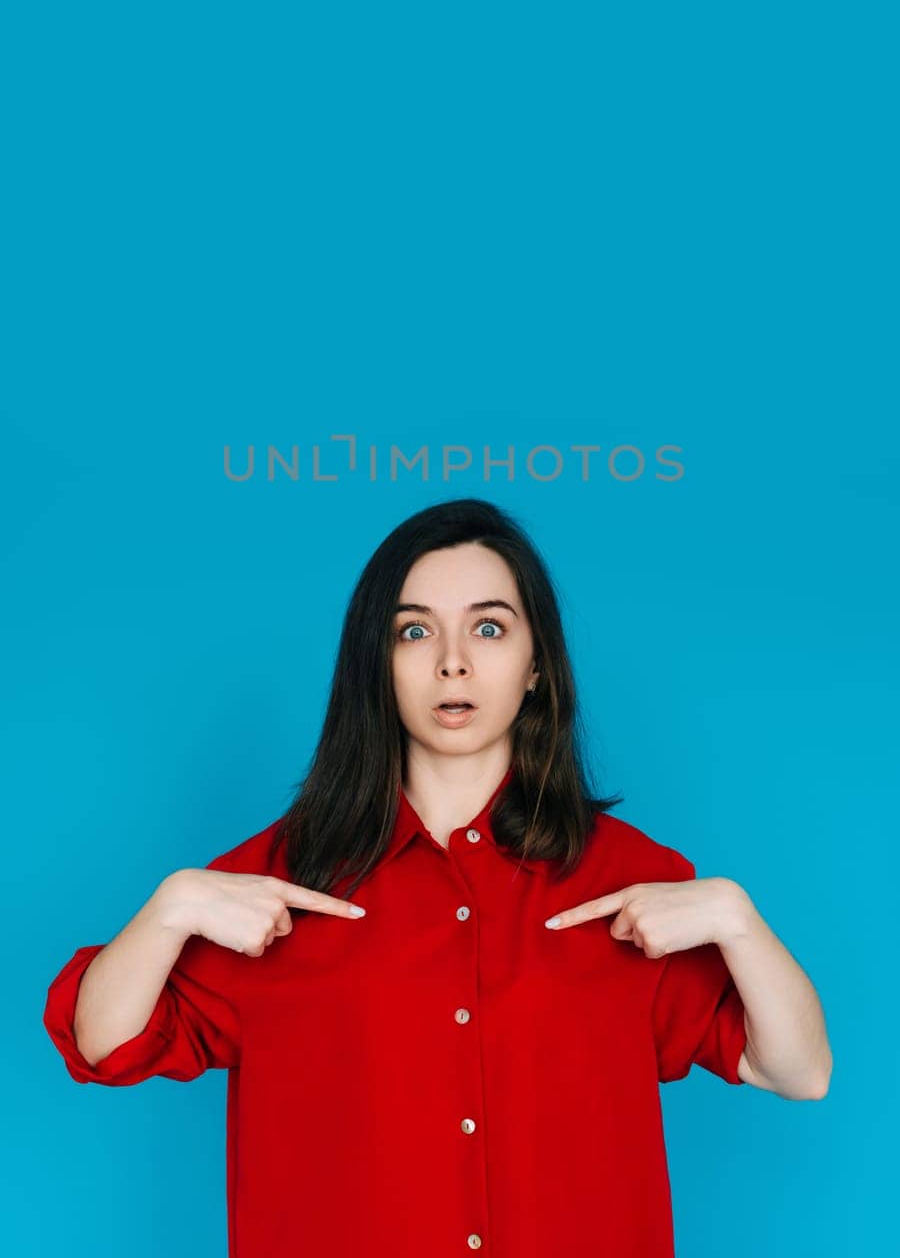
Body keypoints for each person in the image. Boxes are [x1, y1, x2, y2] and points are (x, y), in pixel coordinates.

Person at [44, 497, 832, 1258]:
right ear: (375, 666)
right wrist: (171, 905)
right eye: (414, 632)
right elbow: (104, 1043)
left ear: (535, 667)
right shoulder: (280, 880)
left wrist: (738, 918)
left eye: (489, 628)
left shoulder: (630, 880)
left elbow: (797, 1071)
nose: (452, 661)